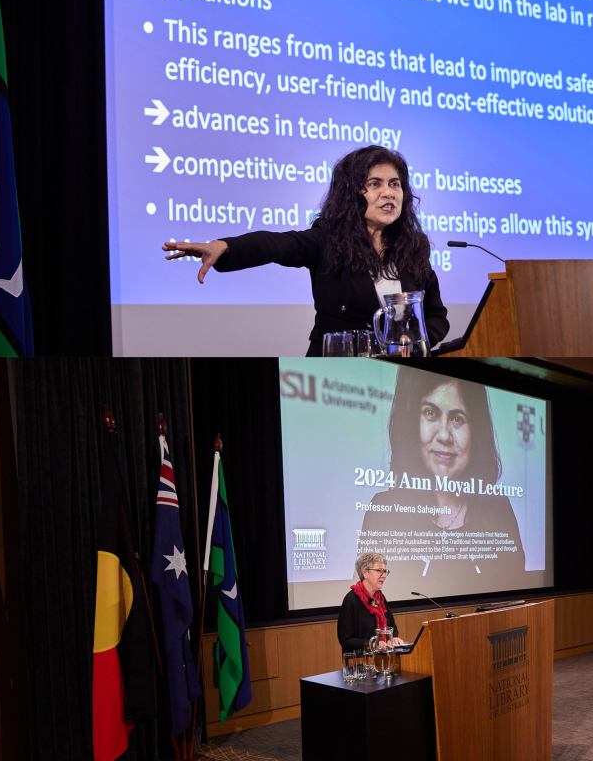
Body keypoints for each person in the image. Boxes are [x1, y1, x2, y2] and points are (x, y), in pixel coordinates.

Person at [162, 146, 449, 355]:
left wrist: (414, 339)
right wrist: (224, 247)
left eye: (394, 184)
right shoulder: (328, 239)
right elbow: (278, 244)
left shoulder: (413, 247)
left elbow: (436, 317)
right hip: (339, 366)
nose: (389, 193)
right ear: (351, 195)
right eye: (375, 184)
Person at [361, 370, 526, 598]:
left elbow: (516, 597)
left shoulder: (499, 510)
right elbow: (368, 601)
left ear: (476, 431)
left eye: (458, 419)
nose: (445, 436)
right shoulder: (382, 511)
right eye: (430, 413)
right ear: (410, 423)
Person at [337, 552, 405, 652]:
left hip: (383, 658)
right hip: (360, 661)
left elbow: (392, 625)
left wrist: (393, 638)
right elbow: (345, 639)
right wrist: (373, 643)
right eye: (379, 571)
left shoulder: (380, 598)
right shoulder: (351, 600)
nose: (384, 575)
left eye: (385, 571)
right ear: (365, 573)